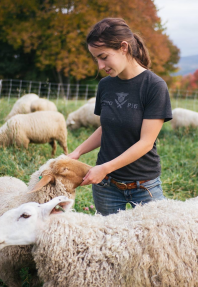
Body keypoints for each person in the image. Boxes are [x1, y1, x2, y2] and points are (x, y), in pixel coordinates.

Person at [68, 18, 172, 216]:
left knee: (152, 244)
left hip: (143, 187)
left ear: (123, 47)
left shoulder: (154, 86)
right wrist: (77, 152)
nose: (100, 65)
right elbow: (106, 128)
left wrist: (104, 168)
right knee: (107, 242)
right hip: (106, 186)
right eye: (96, 59)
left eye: (104, 56)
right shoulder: (105, 85)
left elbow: (146, 143)